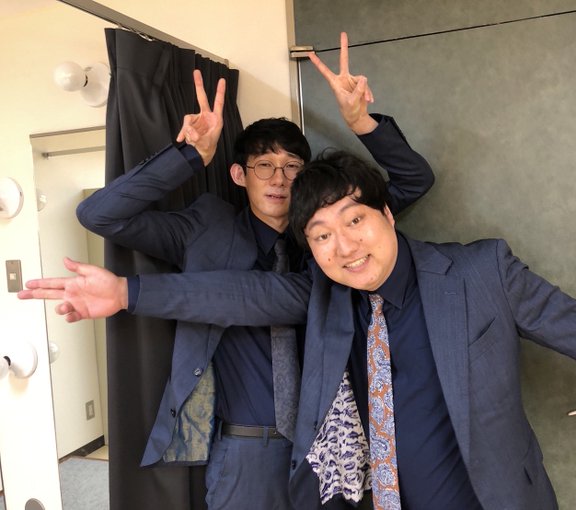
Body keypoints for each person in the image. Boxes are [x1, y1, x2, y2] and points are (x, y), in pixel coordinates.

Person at [20, 150, 576, 510]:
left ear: (387, 214)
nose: (344, 246)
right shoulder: (324, 296)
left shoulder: (482, 273)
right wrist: (127, 292)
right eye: (321, 235)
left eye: (354, 220)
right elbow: (237, 294)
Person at [70, 32, 435, 510]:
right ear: (239, 174)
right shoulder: (205, 227)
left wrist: (360, 121)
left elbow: (415, 180)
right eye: (264, 166)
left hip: (333, 444)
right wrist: (189, 156)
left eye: (292, 166)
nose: (279, 179)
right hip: (244, 451)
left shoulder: (333, 236)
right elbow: (99, 214)